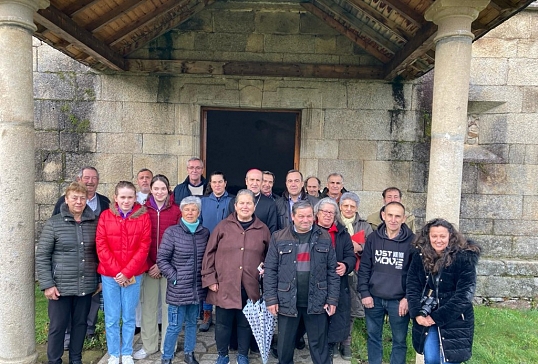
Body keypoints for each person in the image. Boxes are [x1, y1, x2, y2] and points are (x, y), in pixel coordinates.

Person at [264, 200, 340, 364]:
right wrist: (270, 299)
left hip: (317, 300)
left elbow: (332, 271)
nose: (305, 220)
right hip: (287, 300)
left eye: (309, 216)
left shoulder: (324, 236)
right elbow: (270, 270)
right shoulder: (279, 237)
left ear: (314, 216)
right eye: (301, 216)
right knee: (285, 345)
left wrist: (332, 299)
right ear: (292, 216)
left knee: (319, 346)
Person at [202, 189, 271, 364]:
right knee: (223, 324)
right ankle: (222, 355)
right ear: (235, 205)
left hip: (250, 284)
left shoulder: (262, 229)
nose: (245, 206)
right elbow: (209, 254)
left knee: (245, 323)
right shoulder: (223, 226)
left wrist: (265, 273)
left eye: (249, 203)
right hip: (225, 283)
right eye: (242, 203)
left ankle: (242, 355)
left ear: (254, 206)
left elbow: (270, 257)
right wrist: (210, 279)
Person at [36, 182, 99, 364]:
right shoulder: (54, 223)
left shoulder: (93, 222)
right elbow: (42, 255)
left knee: (80, 325)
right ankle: (54, 360)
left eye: (82, 198)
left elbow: (99, 252)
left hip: (85, 284)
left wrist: (99, 279)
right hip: (60, 286)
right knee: (58, 326)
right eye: (74, 198)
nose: (78, 201)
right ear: (66, 199)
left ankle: (76, 359)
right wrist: (47, 284)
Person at [407, 218, 481, 364]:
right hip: (426, 314)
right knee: (431, 358)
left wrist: (438, 317)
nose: (438, 240)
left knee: (449, 360)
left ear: (450, 237)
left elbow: (464, 295)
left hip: (455, 318)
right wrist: (416, 313)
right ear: (428, 237)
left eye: (442, 236)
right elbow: (412, 285)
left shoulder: (464, 258)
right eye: (434, 236)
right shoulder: (419, 256)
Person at [52, 166, 110, 349]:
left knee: (92, 295)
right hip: (70, 260)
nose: (90, 181)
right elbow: (57, 228)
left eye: (94, 178)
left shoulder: (104, 201)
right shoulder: (64, 201)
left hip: (94, 257)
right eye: (87, 178)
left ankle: (89, 329)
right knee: (69, 299)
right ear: (79, 179)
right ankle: (69, 335)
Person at [96, 181, 151, 364]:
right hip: (110, 275)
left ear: (135, 197)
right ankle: (113, 353)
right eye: (122, 197)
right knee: (112, 317)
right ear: (115, 198)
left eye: (129, 197)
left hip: (132, 275)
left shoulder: (143, 217)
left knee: (128, 316)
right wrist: (116, 271)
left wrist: (127, 272)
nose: (126, 201)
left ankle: (126, 351)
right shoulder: (106, 216)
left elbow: (144, 247)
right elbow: (101, 244)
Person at [357, 201, 415, 364]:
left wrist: (408, 298)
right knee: (373, 337)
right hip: (374, 298)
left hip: (399, 301)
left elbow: (415, 274)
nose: (393, 219)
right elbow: (365, 267)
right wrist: (364, 293)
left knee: (399, 340)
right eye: (390, 215)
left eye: (398, 216)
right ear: (383, 216)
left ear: (404, 218)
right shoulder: (373, 238)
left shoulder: (412, 241)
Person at [133, 175, 182, 360]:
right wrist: (148, 265)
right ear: (151, 190)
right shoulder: (142, 211)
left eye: (163, 188)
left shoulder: (176, 211)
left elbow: (179, 241)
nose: (160, 192)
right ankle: (149, 345)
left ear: (168, 190)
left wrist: (163, 265)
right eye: (156, 188)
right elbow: (138, 241)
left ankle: (168, 346)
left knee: (170, 309)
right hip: (148, 267)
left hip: (169, 267)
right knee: (149, 308)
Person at [157, 196, 210, 364]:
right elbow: (162, 260)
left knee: (192, 323)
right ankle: (166, 357)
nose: (190, 212)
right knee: (174, 325)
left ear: (199, 212)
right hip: (178, 289)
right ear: (181, 211)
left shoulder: (204, 233)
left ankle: (189, 353)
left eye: (193, 209)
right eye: (187, 209)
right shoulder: (172, 232)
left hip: (196, 289)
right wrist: (174, 278)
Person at [314, 198, 356, 361]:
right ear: (317, 213)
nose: (327, 215)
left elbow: (350, 256)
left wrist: (346, 265)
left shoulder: (342, 233)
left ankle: (330, 348)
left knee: (336, 316)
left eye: (331, 212)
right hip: (315, 283)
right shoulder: (309, 230)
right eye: (324, 212)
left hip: (337, 282)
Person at [338, 192, 374, 360]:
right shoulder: (334, 222)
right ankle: (332, 340)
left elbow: (372, 248)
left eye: (352, 206)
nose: (349, 209)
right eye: (346, 206)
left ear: (357, 208)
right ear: (340, 206)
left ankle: (346, 342)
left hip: (357, 271)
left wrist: (359, 246)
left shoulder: (365, 226)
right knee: (335, 307)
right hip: (338, 270)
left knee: (351, 308)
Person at [199, 171, 235, 332]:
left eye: (220, 182)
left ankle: (224, 312)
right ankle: (207, 314)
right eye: (214, 182)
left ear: (225, 183)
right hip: (207, 247)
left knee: (225, 280)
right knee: (208, 279)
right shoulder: (203, 202)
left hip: (228, 248)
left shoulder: (233, 201)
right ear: (210, 184)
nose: (217, 185)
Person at [229, 169, 278, 233]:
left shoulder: (270, 204)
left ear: (261, 182)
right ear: (246, 181)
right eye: (252, 180)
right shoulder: (234, 201)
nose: (255, 183)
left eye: (258, 180)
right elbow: (228, 226)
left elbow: (272, 231)